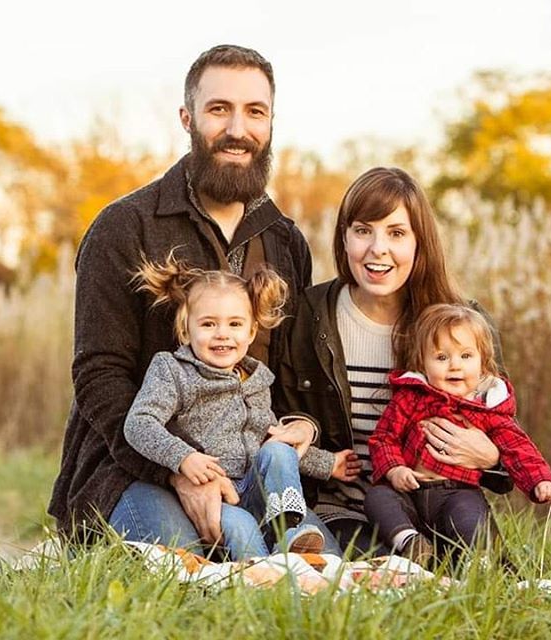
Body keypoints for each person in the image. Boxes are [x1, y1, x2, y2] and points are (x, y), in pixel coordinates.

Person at [48, 44, 340, 554]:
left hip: (252, 475)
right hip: (129, 468)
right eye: (218, 109)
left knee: (321, 571)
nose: (237, 130)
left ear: (271, 122)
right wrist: (178, 470)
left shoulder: (285, 241)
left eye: (255, 112)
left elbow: (293, 378)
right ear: (187, 117)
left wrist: (304, 430)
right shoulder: (125, 227)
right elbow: (100, 374)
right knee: (201, 571)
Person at [273, 166, 514, 556]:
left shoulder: (460, 325)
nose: (377, 249)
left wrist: (493, 457)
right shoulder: (308, 315)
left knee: (481, 584)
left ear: (420, 242)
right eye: (363, 230)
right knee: (392, 577)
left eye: (396, 233)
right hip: (346, 510)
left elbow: (505, 431)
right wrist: (301, 429)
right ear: (344, 238)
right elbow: (281, 416)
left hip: (439, 504)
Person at [124, 257, 327, 559]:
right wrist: (183, 457)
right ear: (185, 330)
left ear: (251, 332)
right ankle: (262, 582)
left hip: (258, 490)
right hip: (218, 497)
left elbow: (272, 438)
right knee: (242, 526)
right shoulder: (172, 370)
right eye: (208, 324)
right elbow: (138, 423)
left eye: (234, 324)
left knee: (278, 450)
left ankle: (292, 533)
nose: (222, 333)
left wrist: (329, 463)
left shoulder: (256, 380)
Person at [365, 303, 551, 566]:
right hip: (410, 490)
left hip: (456, 492)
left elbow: (519, 450)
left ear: (483, 363)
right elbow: (384, 438)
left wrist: (540, 481)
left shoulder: (488, 409)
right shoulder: (411, 398)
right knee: (378, 498)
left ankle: (476, 560)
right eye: (442, 358)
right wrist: (395, 469)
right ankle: (410, 542)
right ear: (423, 362)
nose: (454, 366)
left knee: (470, 517)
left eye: (466, 356)